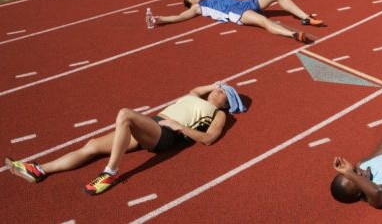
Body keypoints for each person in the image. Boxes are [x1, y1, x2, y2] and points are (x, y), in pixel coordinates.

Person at [5, 82, 246, 196]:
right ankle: (40, 169)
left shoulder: (218, 115)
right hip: (152, 124)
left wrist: (179, 126)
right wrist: (215, 84)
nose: (217, 88)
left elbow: (208, 139)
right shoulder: (195, 95)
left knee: (124, 114)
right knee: (91, 146)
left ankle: (111, 172)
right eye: (218, 86)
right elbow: (198, 89)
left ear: (227, 102)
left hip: (167, 134)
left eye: (223, 90)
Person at [153, 0, 324, 43]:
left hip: (243, 3)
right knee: (264, 21)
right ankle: (293, 34)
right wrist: (160, 19)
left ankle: (305, 17)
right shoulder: (197, 8)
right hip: (237, 13)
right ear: (191, 3)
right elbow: (180, 17)